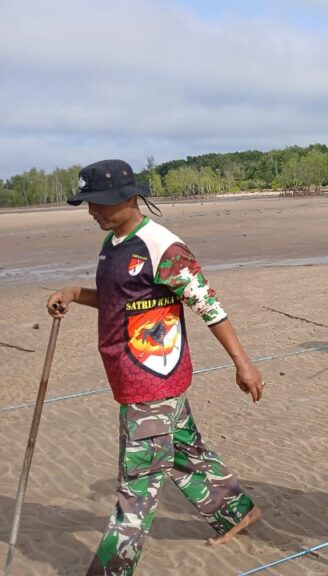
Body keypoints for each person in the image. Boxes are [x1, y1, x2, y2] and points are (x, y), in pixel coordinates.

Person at [46, 159, 264, 574]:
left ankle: (111, 569)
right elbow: (117, 300)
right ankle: (237, 512)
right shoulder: (113, 243)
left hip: (152, 380)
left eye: (101, 204)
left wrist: (244, 364)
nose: (93, 212)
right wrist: (74, 292)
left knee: (137, 485)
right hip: (130, 375)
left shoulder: (163, 247)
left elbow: (209, 306)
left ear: (131, 198)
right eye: (88, 204)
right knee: (184, 451)